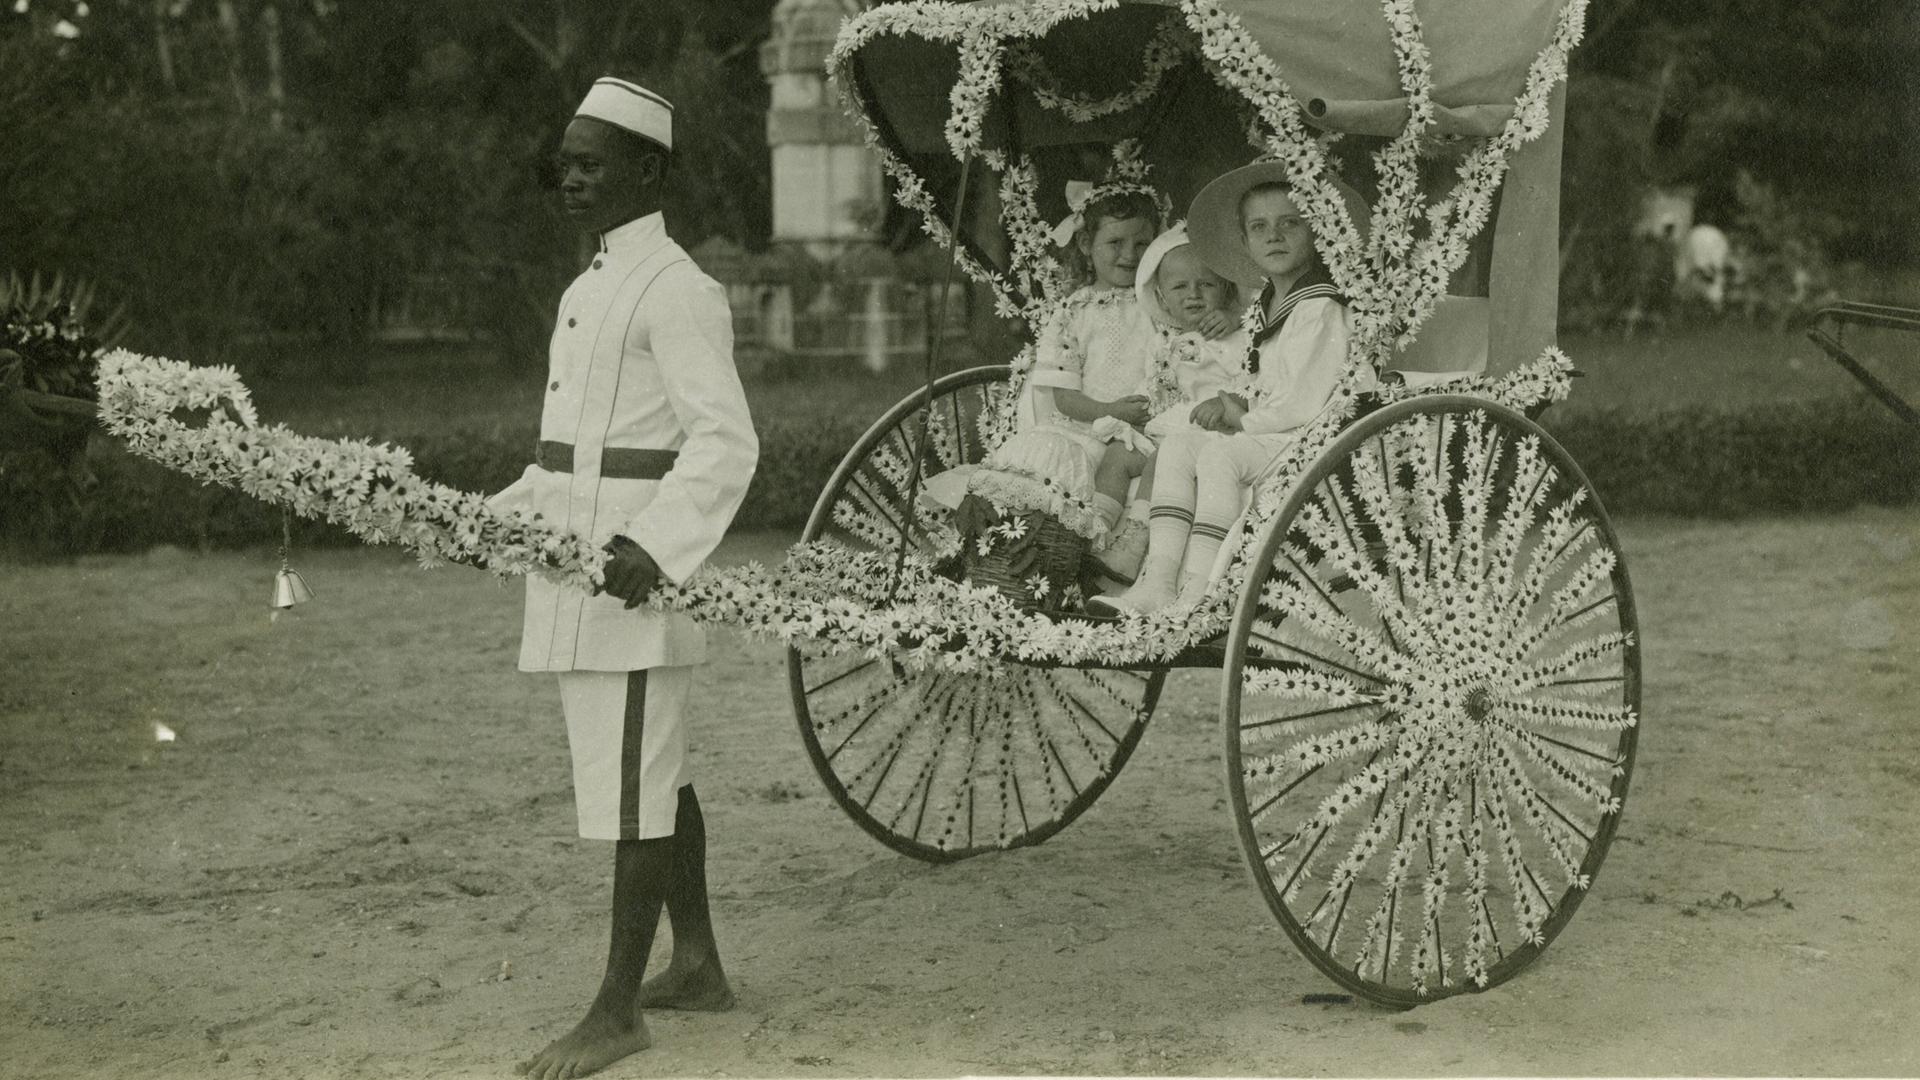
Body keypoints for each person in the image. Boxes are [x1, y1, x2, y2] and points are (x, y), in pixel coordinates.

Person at [485, 76, 758, 1080]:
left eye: (590, 163)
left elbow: (726, 442)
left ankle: (613, 1013)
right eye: (565, 160)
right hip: (574, 570)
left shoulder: (678, 287)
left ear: (646, 171)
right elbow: (567, 458)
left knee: (635, 786)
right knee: (655, 774)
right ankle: (695, 965)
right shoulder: (588, 285)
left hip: (635, 577)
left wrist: (657, 547)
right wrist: (487, 517)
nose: (569, 177)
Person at [1097, 163, 1372, 614]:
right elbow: (1261, 380)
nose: (1274, 237)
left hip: (1310, 437)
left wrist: (1238, 416)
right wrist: (1238, 404)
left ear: (1317, 231)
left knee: (1219, 453)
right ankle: (1158, 581)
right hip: (1271, 429)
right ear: (1244, 242)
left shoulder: (1318, 306)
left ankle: (1198, 591)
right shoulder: (1268, 302)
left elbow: (1301, 404)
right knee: (1180, 447)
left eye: (1290, 224)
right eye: (1259, 228)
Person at [1091, 222, 1245, 581]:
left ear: (1224, 288)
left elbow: (1253, 379)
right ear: (1161, 296)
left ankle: (1135, 541)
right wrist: (1141, 404)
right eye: (1179, 286)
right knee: (1117, 453)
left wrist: (1229, 402)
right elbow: (1157, 383)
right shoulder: (1162, 341)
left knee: (1163, 459)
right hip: (1167, 422)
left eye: (1205, 284)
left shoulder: (1234, 336)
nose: (1193, 294)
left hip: (1206, 433)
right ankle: (1094, 529)